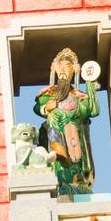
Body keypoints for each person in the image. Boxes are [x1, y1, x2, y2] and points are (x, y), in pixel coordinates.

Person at [35, 48, 100, 196]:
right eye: (61, 66)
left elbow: (93, 110)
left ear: (75, 70)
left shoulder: (78, 95)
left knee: (77, 162)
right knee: (58, 163)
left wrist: (89, 83)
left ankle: (79, 184)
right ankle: (60, 183)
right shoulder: (48, 94)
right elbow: (38, 107)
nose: (64, 69)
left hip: (75, 135)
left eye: (68, 66)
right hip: (56, 134)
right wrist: (46, 108)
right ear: (55, 69)